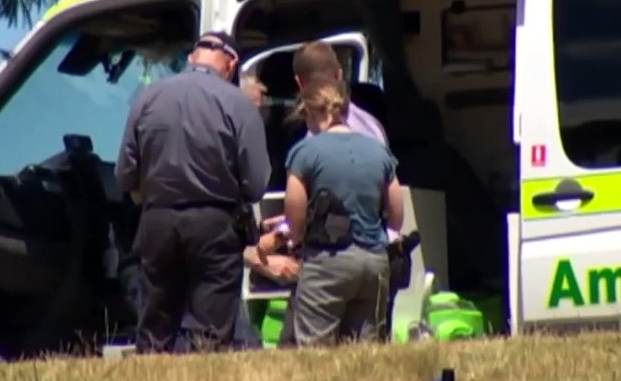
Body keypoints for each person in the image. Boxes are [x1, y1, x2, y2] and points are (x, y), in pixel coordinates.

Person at [116, 31, 271, 354]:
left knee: (155, 327)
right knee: (211, 332)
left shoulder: (147, 97)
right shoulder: (238, 103)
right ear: (231, 64)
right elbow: (256, 184)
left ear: (192, 57)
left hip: (157, 222)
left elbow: (125, 175)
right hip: (214, 225)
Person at [257, 80, 405, 346]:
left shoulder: (304, 153)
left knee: (316, 352)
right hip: (374, 262)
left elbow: (295, 222)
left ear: (312, 113)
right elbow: (396, 217)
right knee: (365, 351)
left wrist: (275, 238)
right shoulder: (379, 152)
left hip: (327, 263)